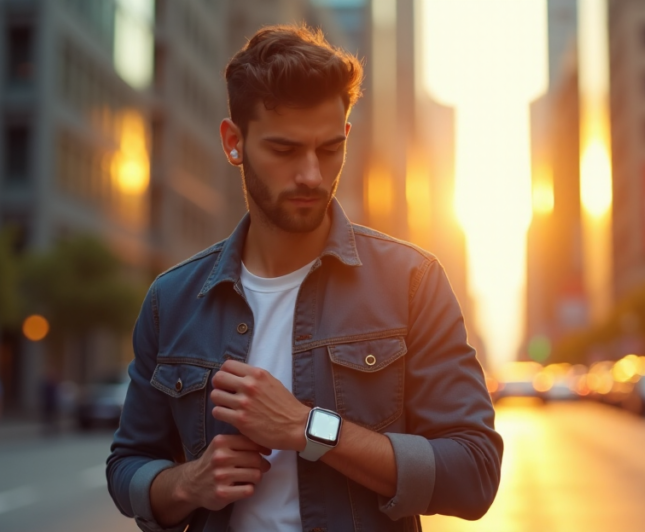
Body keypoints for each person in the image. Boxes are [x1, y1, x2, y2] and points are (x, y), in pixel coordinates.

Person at [107, 24, 503, 532]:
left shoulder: (412, 282)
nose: (312, 175)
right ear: (235, 142)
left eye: (329, 149)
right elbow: (127, 467)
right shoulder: (172, 300)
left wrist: (309, 428)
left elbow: (473, 473)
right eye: (285, 150)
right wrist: (189, 483)